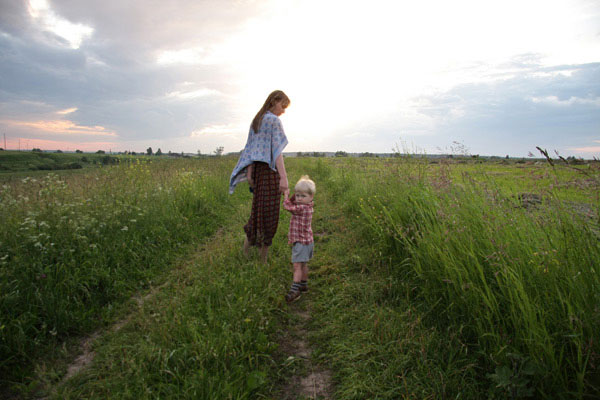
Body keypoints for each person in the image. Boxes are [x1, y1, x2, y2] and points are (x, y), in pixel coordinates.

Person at [229, 90, 290, 263]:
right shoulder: (273, 120)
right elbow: (277, 153)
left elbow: (250, 150)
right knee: (269, 214)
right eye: (283, 106)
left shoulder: (257, 120)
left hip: (257, 172)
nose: (283, 111)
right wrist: (284, 178)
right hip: (270, 173)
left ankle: (246, 253)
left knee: (257, 211)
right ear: (274, 101)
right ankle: (263, 260)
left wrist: (250, 173)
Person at [282, 175, 315, 303]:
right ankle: (303, 284)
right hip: (307, 242)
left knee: (296, 266)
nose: (299, 199)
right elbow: (294, 203)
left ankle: (295, 290)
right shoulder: (308, 206)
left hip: (301, 243)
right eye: (297, 195)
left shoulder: (302, 208)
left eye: (303, 196)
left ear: (311, 197)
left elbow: (287, 206)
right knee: (303, 264)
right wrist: (294, 197)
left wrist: (286, 196)